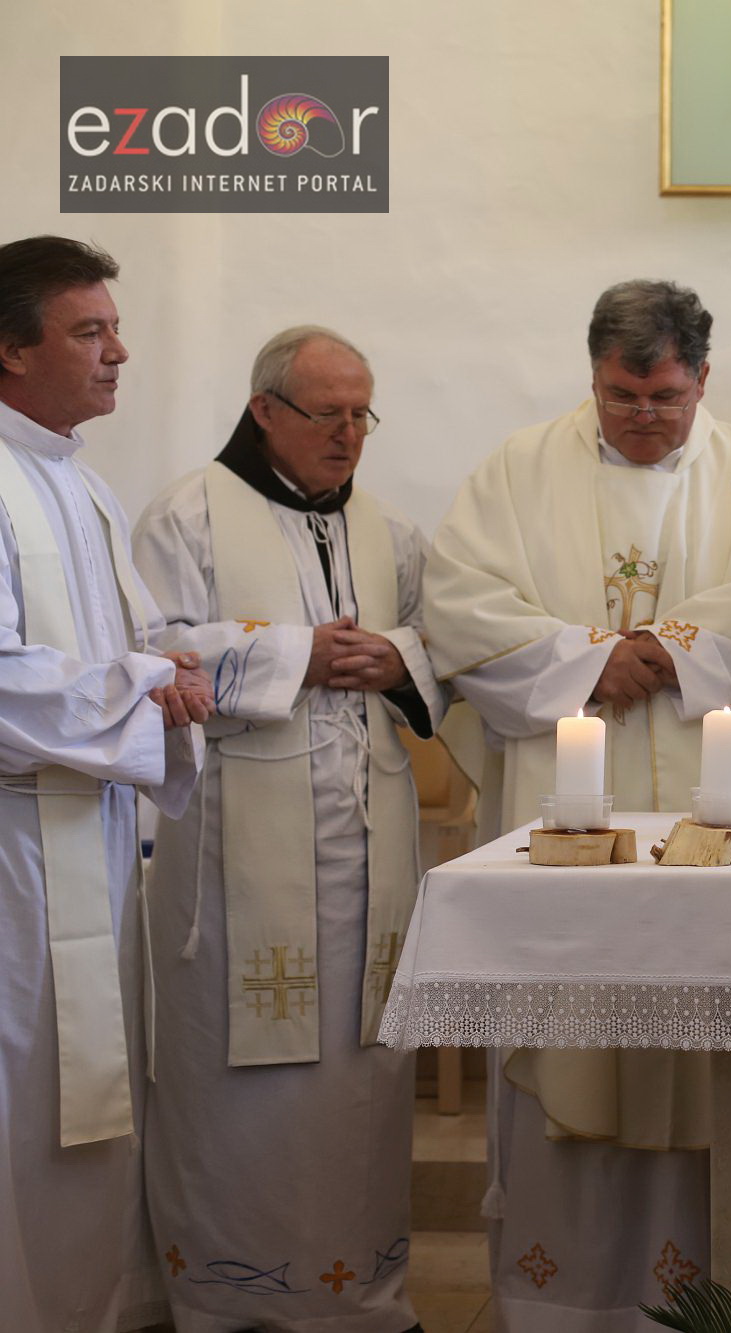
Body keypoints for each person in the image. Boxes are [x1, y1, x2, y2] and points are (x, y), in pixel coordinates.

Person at [423, 279, 731, 1329]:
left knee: (698, 1055)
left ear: (702, 381)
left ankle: (705, 1302)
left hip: (706, 829)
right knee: (568, 1039)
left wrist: (670, 651)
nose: (641, 416)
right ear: (592, 376)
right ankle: (564, 1306)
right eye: (619, 394)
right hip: (560, 819)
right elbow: (457, 607)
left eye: (664, 397)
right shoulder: (517, 469)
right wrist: (591, 658)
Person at [131, 325, 442, 1332]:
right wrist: (289, 656)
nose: (349, 434)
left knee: (358, 1078)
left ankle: (362, 1300)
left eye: (362, 414)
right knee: (242, 1080)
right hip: (236, 863)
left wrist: (398, 662)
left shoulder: (389, 529)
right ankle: (232, 1301)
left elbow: (440, 645)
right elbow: (146, 651)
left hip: (370, 850)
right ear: (265, 411)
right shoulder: (186, 517)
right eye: (327, 414)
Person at [0, 234, 209, 1332]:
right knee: (20, 1129)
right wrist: (139, 682)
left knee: (80, 1127)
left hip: (88, 845)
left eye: (115, 328)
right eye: (90, 331)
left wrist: (163, 665)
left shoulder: (79, 480)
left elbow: (110, 643)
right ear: (8, 346)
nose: (119, 352)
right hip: (15, 863)